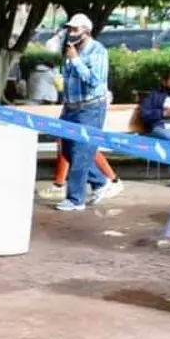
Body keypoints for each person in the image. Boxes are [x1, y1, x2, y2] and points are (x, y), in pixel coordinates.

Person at [55, 13, 123, 211]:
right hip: (71, 106)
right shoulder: (70, 49)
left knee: (82, 151)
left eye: (75, 29)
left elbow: (94, 80)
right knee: (67, 148)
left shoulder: (97, 51)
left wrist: (76, 61)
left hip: (90, 107)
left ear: (86, 31)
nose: (71, 32)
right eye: (69, 29)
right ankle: (101, 182)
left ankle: (76, 199)